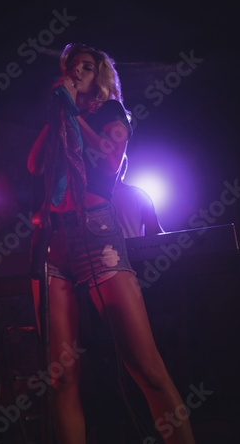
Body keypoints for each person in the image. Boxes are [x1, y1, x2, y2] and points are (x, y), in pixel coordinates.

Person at [27, 42, 195, 444]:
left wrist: (70, 110)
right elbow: (35, 164)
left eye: (86, 65)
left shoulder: (112, 114)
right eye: (72, 66)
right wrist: (60, 109)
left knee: (145, 367)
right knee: (62, 376)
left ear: (101, 73)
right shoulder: (63, 110)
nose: (77, 72)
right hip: (51, 238)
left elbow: (104, 156)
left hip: (96, 233)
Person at [112, 155, 164, 238]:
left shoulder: (139, 195)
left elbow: (155, 231)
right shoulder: (139, 195)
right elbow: (156, 232)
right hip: (133, 250)